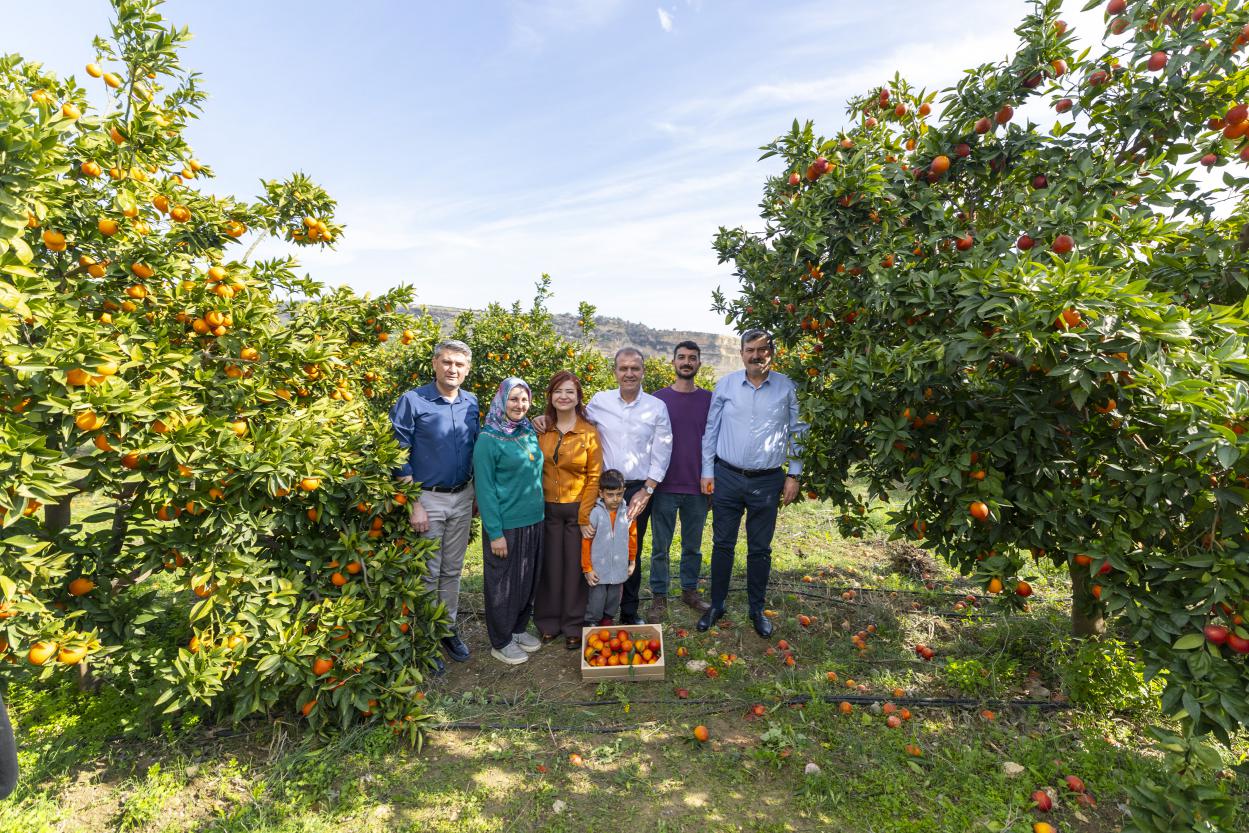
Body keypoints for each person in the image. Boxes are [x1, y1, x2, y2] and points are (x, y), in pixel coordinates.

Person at [697, 329, 808, 638]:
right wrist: (707, 472)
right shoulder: (726, 385)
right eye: (750, 349)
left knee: (760, 549)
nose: (756, 355)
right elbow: (711, 430)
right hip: (727, 476)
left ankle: (756, 609)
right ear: (741, 353)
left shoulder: (787, 387)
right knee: (722, 544)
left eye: (762, 349)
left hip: (767, 480)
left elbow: (798, 431)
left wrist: (794, 474)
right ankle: (717, 605)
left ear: (772, 352)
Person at [390, 339, 479, 673]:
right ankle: (426, 638)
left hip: (462, 495)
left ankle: (446, 628)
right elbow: (397, 451)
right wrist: (414, 504)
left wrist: (476, 494)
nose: (452, 369)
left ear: (467, 369)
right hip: (427, 497)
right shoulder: (413, 401)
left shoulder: (471, 402)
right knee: (429, 571)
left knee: (452, 569)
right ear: (435, 364)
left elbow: (477, 445)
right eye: (447, 362)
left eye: (459, 364)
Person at [584, 348, 672, 625]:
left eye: (635, 368)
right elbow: (574, 420)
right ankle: (595, 613)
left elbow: (662, 450)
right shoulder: (600, 402)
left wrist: (647, 490)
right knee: (597, 545)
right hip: (603, 488)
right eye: (624, 368)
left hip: (636, 490)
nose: (629, 373)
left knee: (631, 547)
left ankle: (629, 612)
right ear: (615, 372)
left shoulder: (656, 407)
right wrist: (545, 420)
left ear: (643, 371)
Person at [472, 377, 546, 665]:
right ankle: (501, 641)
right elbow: (485, 489)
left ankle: (517, 628)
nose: (520, 405)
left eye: (524, 399)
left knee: (527, 579)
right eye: (514, 399)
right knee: (502, 584)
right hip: (506, 524)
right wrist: (495, 533)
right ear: (502, 401)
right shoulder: (488, 440)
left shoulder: (528, 431)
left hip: (534, 520)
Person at [534, 371, 602, 650]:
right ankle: (548, 622)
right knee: (550, 566)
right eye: (558, 391)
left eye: (569, 392)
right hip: (546, 508)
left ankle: (574, 624)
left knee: (576, 567)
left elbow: (594, 477)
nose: (563, 396)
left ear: (578, 397)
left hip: (576, 509)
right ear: (550, 396)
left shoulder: (589, 433)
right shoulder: (541, 429)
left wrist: (584, 515)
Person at [647, 341, 713, 620]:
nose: (687, 362)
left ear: (699, 363)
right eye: (682, 357)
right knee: (660, 547)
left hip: (698, 486)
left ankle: (689, 591)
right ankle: (659, 596)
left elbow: (715, 441)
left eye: (692, 358)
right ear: (673, 362)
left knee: (692, 547)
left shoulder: (710, 400)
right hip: (663, 486)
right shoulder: (657, 400)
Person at [581, 469, 637, 627]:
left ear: (624, 491)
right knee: (597, 599)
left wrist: (632, 561)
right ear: (601, 493)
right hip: (598, 569)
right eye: (610, 495)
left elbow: (633, 538)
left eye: (619, 494)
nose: (615, 499)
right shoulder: (595, 514)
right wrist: (587, 568)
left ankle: (608, 619)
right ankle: (591, 622)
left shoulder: (628, 514)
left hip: (619, 567)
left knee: (614, 597)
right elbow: (586, 542)